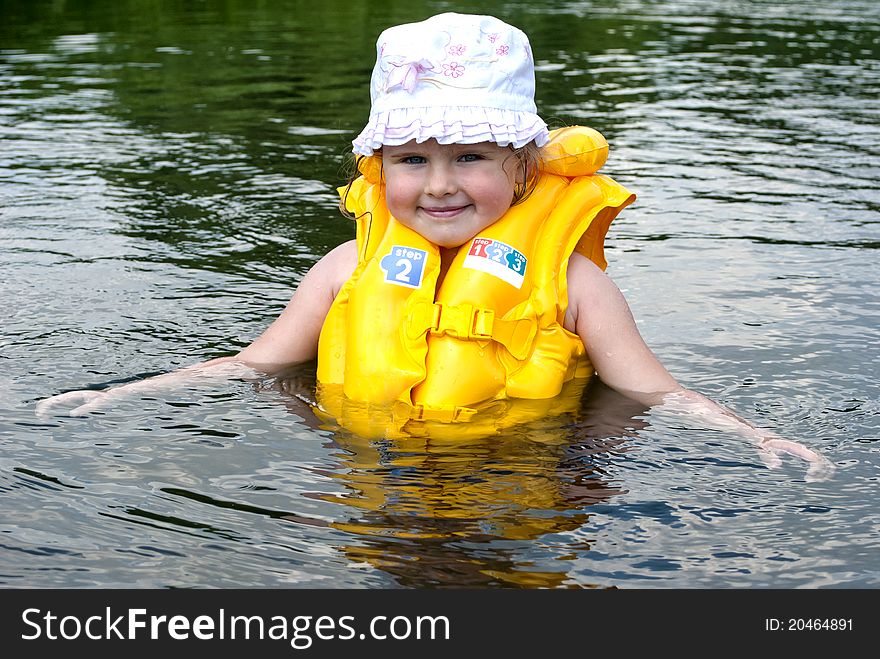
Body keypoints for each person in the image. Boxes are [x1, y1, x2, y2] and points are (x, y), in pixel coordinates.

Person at [36, 13, 833, 480]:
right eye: (413, 159)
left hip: (525, 477)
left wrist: (756, 435)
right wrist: (122, 395)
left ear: (522, 169)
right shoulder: (348, 266)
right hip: (373, 476)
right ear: (379, 167)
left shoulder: (574, 281)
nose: (440, 185)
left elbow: (654, 392)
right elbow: (255, 364)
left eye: (471, 158)